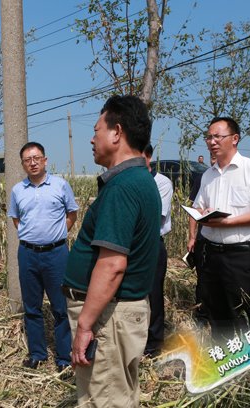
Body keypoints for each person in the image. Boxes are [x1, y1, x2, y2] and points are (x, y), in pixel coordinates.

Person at [62, 95, 161, 407]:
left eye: (96, 131)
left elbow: (113, 265)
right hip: (117, 316)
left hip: (109, 319)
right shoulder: (139, 180)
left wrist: (85, 326)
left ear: (117, 132)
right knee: (118, 395)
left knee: (104, 400)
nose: (92, 139)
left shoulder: (123, 187)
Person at [191, 117, 250, 339]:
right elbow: (198, 207)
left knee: (245, 312)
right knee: (217, 312)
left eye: (218, 136)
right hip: (210, 253)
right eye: (209, 137)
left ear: (235, 138)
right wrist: (203, 214)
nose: (212, 142)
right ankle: (224, 354)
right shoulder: (208, 175)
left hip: (240, 255)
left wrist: (228, 222)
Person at [7, 141, 79, 373]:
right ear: (23, 164)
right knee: (32, 307)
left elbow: (72, 213)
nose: (33, 163)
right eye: (27, 160)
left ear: (45, 160)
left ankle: (64, 358)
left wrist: (57, 235)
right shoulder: (18, 190)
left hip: (56, 254)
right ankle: (37, 354)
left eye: (36, 158)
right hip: (28, 254)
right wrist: (31, 236)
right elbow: (16, 219)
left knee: (61, 307)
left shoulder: (60, 185)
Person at [142, 144, 173, 358]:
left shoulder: (161, 182)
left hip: (152, 243)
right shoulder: (126, 180)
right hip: (131, 246)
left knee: (153, 294)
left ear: (148, 156)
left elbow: (155, 217)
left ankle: (154, 344)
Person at [188, 152, 216, 325]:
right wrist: (192, 237)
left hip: (224, 241)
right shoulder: (203, 177)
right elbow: (194, 210)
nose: (214, 159)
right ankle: (202, 315)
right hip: (203, 237)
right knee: (203, 277)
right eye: (212, 157)